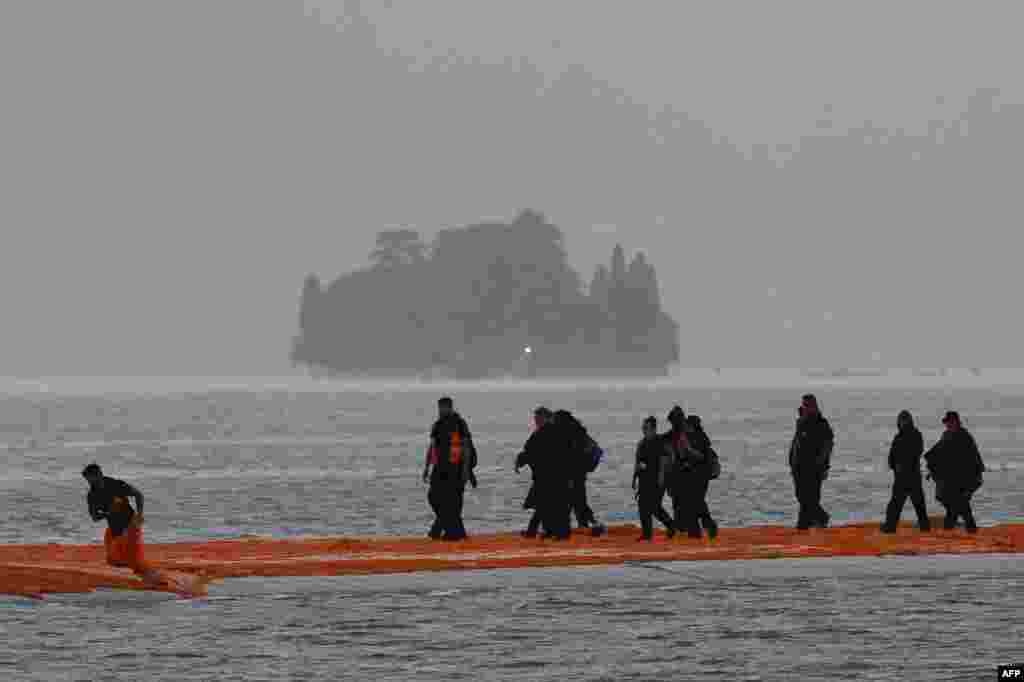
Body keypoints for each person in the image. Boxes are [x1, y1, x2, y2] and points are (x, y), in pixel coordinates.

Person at [422, 396, 478, 541]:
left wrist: (466, 470)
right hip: (439, 468)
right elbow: (432, 447)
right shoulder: (438, 424)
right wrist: (427, 467)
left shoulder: (459, 423)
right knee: (433, 497)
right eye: (439, 408)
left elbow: (466, 447)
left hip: (456, 469)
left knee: (453, 503)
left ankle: (447, 533)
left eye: (443, 407)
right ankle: (454, 532)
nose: (440, 410)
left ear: (450, 407)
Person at [515, 406, 571, 540]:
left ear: (545, 418)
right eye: (535, 418)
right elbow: (530, 451)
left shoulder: (552, 432)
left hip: (554, 476)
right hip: (546, 476)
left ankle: (556, 533)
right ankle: (546, 531)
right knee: (545, 505)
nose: (535, 421)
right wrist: (520, 461)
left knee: (552, 505)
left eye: (538, 418)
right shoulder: (544, 432)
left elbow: (531, 451)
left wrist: (521, 461)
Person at [924, 411, 985, 533]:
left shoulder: (964, 436)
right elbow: (936, 452)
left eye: (949, 422)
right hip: (953, 478)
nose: (947, 425)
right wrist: (931, 465)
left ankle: (956, 529)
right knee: (956, 504)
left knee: (958, 504)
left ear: (956, 422)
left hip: (967, 477)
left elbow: (968, 459)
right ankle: (962, 529)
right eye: (946, 423)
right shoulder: (946, 435)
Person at [83, 462, 147, 570]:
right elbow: (94, 518)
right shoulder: (92, 495)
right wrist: (108, 512)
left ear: (99, 474)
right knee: (113, 562)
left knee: (133, 562)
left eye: (91, 479)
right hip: (114, 529)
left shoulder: (116, 484)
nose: (90, 483)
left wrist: (139, 514)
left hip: (130, 525)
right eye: (88, 481)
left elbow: (138, 494)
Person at [552, 409, 604, 534]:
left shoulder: (570, 434)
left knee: (573, 502)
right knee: (579, 502)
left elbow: (570, 456)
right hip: (579, 474)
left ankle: (590, 524)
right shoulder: (578, 431)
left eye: (555, 420)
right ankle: (587, 525)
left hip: (574, 474)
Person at [788, 394, 834, 530]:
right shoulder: (801, 421)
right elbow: (796, 443)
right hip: (798, 466)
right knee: (802, 497)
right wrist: (792, 460)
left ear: (815, 406)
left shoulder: (821, 423)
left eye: (808, 405)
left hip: (814, 468)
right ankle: (807, 523)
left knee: (810, 498)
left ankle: (813, 521)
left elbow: (828, 445)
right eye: (804, 405)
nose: (806, 407)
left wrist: (823, 465)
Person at [880, 410, 931, 533]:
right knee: (895, 505)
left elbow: (917, 452)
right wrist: (893, 465)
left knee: (918, 504)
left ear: (909, 421)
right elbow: (892, 454)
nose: (903, 422)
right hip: (901, 477)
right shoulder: (898, 437)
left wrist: (902, 464)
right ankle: (890, 527)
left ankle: (924, 527)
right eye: (901, 420)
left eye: (905, 420)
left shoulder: (915, 435)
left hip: (912, 475)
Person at [664, 405, 706, 538]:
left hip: (689, 475)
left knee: (688, 506)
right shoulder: (672, 435)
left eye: (675, 420)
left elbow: (700, 456)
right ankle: (684, 530)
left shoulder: (690, 434)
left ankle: (693, 532)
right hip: (678, 475)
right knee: (679, 505)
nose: (674, 424)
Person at [632, 416, 675, 540]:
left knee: (654, 507)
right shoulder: (641, 443)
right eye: (643, 428)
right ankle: (647, 534)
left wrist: (662, 479)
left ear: (653, 429)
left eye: (646, 428)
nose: (644, 430)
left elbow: (665, 461)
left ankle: (670, 525)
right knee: (642, 506)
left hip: (658, 480)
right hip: (644, 480)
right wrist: (634, 479)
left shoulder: (660, 442)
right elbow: (638, 462)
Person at [686, 414, 720, 540]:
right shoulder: (692, 437)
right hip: (694, 475)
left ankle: (704, 527)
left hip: (700, 475)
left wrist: (689, 451)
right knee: (695, 502)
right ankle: (699, 529)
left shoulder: (700, 438)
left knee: (696, 502)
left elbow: (701, 457)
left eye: (688, 425)